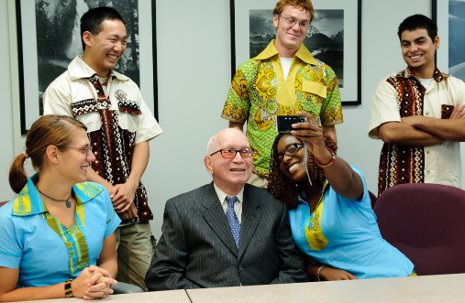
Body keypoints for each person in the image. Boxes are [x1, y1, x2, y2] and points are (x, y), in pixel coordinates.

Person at [42, 6, 163, 290]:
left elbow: (143, 139)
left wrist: (130, 186)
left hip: (131, 206)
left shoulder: (128, 86)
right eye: (112, 39)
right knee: (97, 286)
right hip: (86, 209)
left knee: (151, 283)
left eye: (124, 40)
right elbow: (61, 152)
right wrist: (110, 191)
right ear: (88, 37)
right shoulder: (62, 89)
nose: (119, 47)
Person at [145, 128, 308, 290]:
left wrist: (264, 298)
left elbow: (294, 269)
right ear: (209, 164)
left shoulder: (273, 206)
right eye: (229, 151)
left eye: (245, 152)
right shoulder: (182, 209)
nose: (239, 159)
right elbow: (161, 274)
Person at [268, 112, 414, 280]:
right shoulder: (293, 204)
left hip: (392, 278)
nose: (286, 158)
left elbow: (347, 184)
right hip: (348, 290)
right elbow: (293, 260)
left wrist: (321, 151)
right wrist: (321, 270)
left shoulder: (340, 186)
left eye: (293, 148)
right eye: (280, 157)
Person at [222, 0, 343, 188]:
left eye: (303, 23)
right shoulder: (248, 71)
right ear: (276, 19)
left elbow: (329, 129)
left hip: (309, 178)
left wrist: (326, 166)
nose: (296, 27)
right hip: (259, 178)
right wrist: (241, 168)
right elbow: (235, 128)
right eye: (290, 20)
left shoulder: (325, 73)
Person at [0, 115, 121, 301]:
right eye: (83, 150)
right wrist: (71, 289)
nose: (92, 157)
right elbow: (3, 295)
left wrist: (101, 280)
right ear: (54, 154)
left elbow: (109, 259)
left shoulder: (98, 196)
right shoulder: (9, 220)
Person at [369, 14, 465, 196]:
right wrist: (447, 129)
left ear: (435, 42)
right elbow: (390, 132)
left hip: (445, 189)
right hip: (400, 191)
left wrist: (417, 120)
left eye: (420, 41)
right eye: (406, 44)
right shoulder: (389, 85)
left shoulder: (456, 87)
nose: (413, 49)